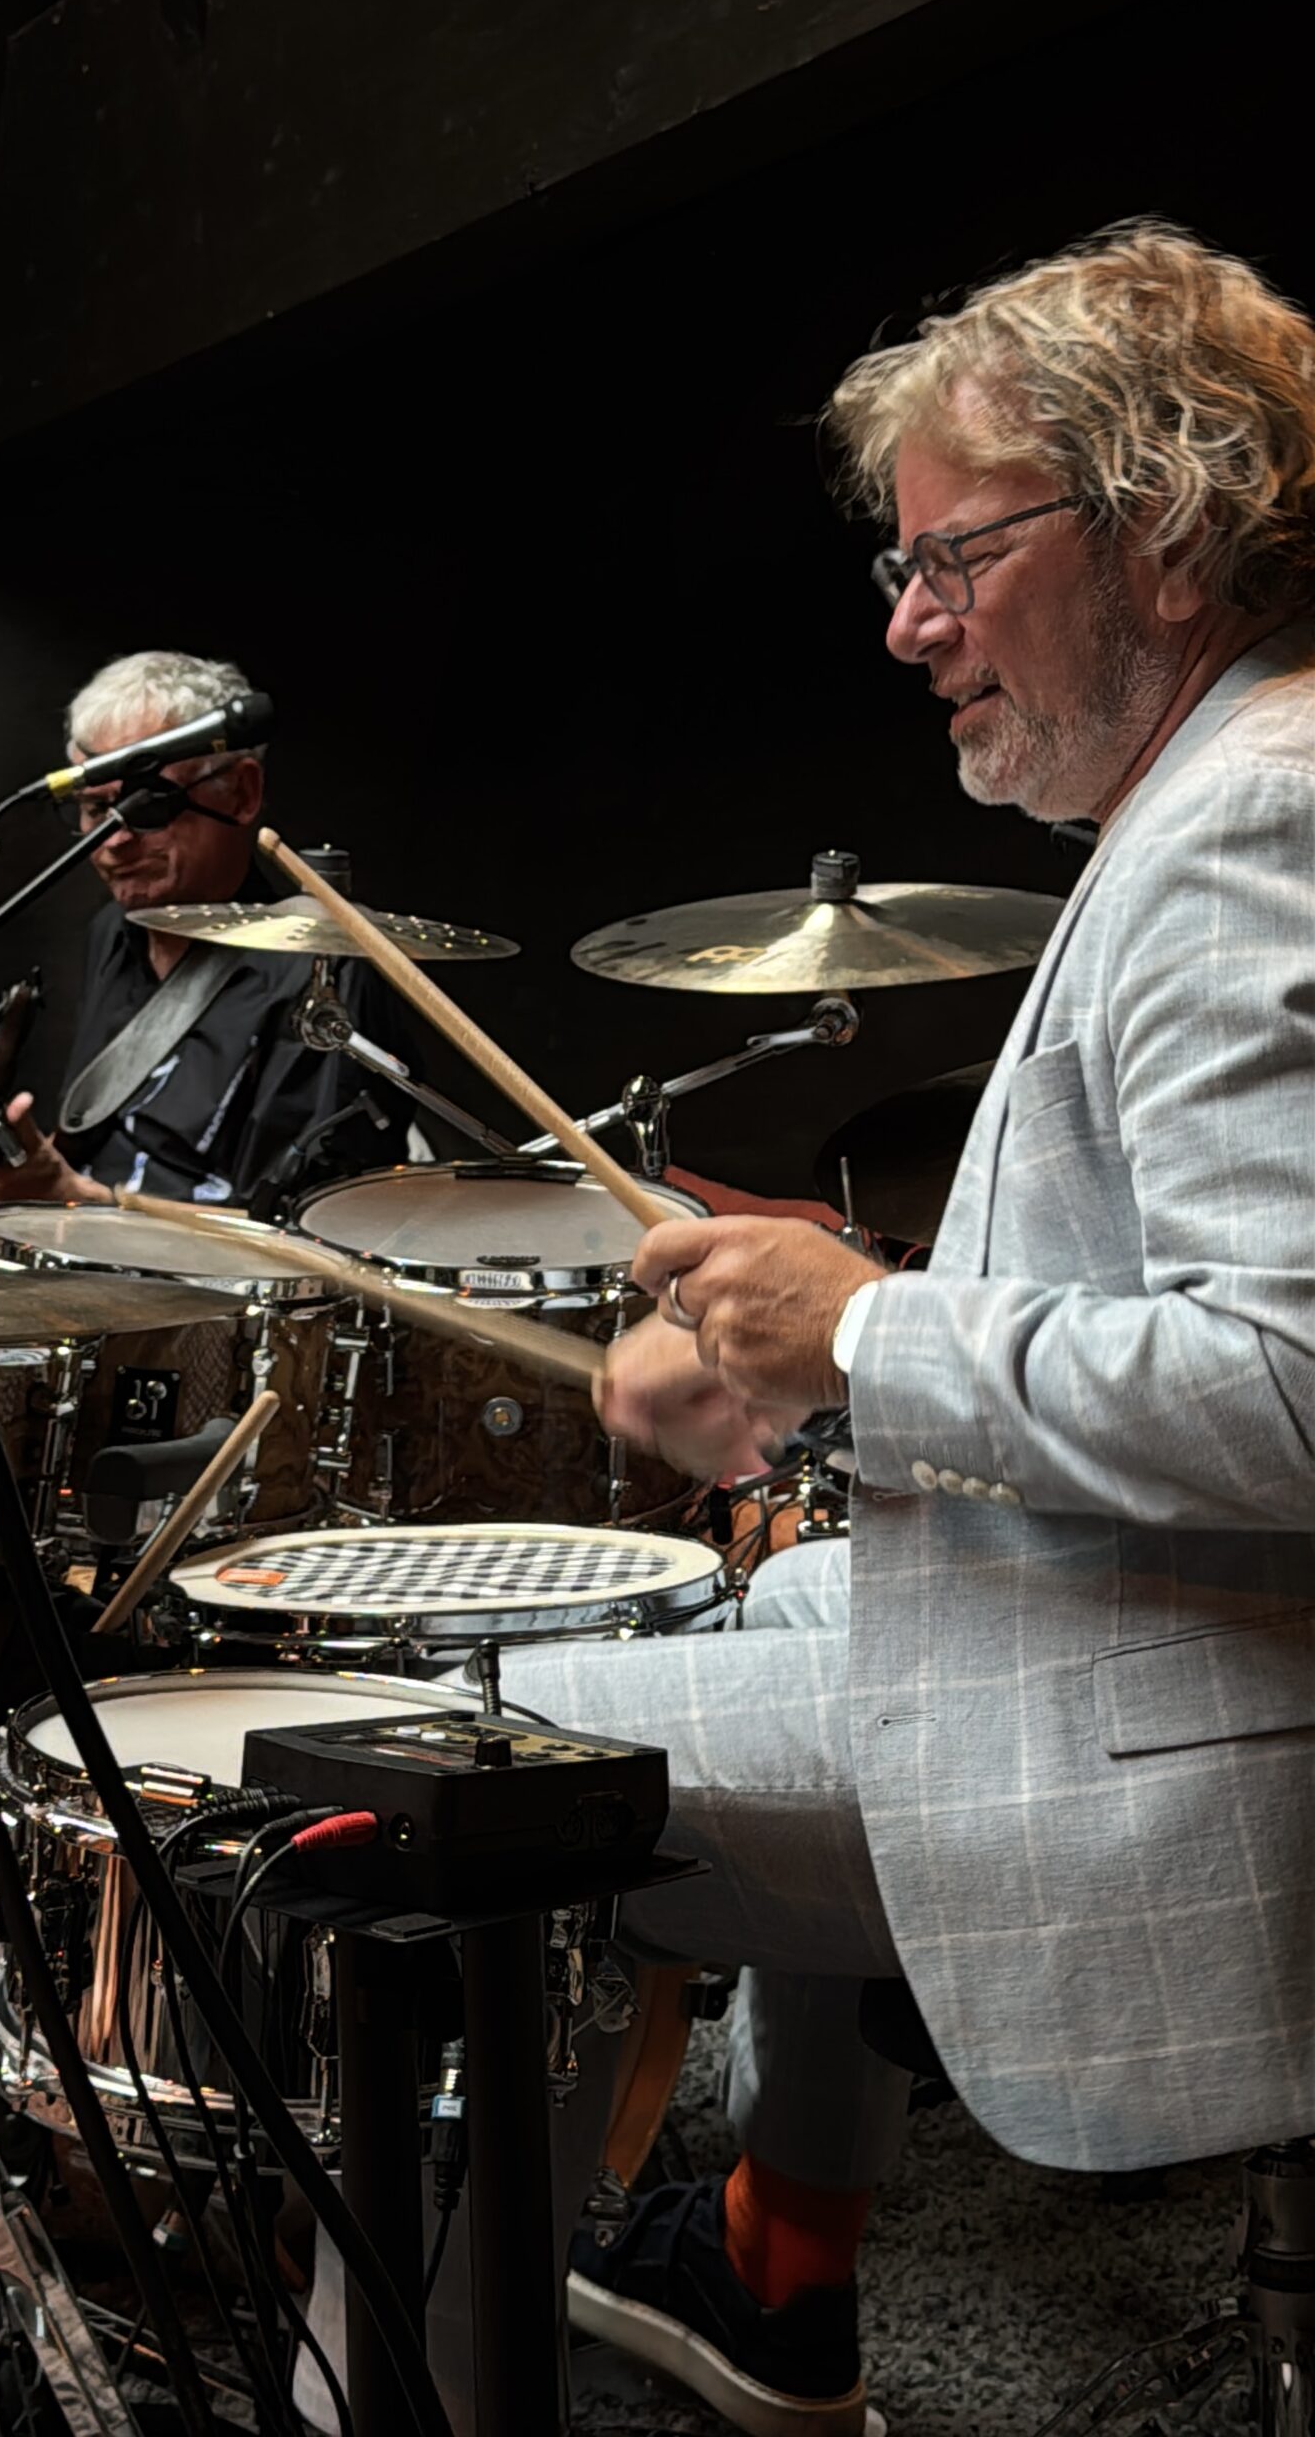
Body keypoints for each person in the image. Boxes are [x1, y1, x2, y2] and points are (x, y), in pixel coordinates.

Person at [302, 224, 1315, 2437]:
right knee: (753, 1599)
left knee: (391, 1759)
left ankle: (390, 2385)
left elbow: (1292, 1386)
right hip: (1178, 1641)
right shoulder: (1223, 788)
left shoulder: (1257, 816)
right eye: (901, 565)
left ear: (1163, 532)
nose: (907, 623)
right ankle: (772, 2272)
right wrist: (817, 1327)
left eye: (957, 557)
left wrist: (861, 1337)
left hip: (1198, 1748)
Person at [0, 651, 420, 1207]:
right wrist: (31, 1178)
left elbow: (301, 1227)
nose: (115, 841)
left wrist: (91, 1202)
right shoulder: (111, 931)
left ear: (241, 794)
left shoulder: (323, 977)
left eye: (147, 805)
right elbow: (96, 1143)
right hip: (84, 1243)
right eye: (95, 809)